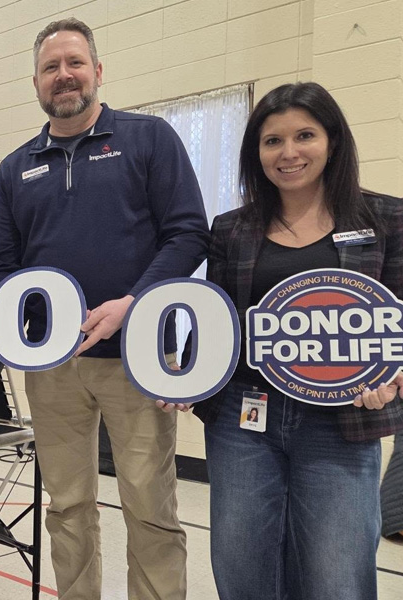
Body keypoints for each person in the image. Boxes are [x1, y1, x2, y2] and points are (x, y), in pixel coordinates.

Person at [0, 18, 209, 600]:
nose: (64, 76)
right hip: (51, 367)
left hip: (137, 360)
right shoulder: (16, 167)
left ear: (97, 71)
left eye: (75, 63)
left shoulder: (148, 138)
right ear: (36, 82)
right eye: (51, 67)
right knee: (67, 505)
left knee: (151, 509)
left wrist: (131, 305)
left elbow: (188, 235)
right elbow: (1, 264)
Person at [197, 81, 403, 600]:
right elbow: (218, 325)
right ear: (255, 152)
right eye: (272, 141)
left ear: (333, 141)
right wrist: (185, 373)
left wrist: (393, 377)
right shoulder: (230, 229)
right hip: (244, 422)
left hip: (341, 422)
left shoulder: (386, 219)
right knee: (242, 573)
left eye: (304, 135)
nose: (289, 153)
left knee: (338, 579)